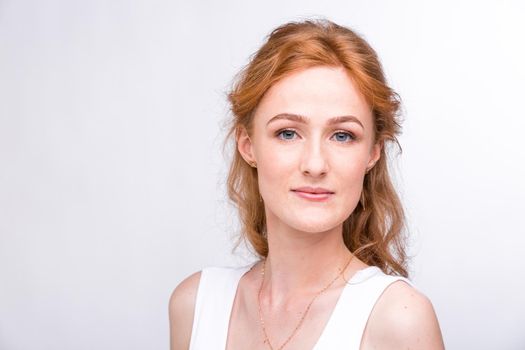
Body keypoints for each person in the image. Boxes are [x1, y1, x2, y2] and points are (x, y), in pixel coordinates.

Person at [169, 18, 445, 349]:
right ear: (248, 145)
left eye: (343, 135)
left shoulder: (399, 319)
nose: (315, 164)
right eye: (287, 133)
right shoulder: (195, 305)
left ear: (373, 153)